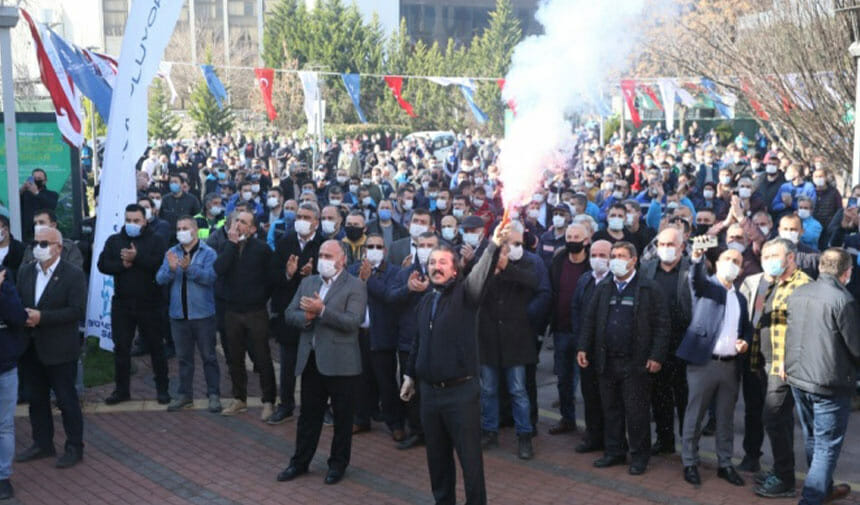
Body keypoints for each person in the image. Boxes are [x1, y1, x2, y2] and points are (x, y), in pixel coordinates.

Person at [399, 222, 508, 505]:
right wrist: (410, 375)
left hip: (461, 394)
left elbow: (482, 275)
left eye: (443, 262)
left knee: (470, 463)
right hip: (429, 395)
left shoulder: (466, 295)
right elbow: (418, 342)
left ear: (455, 269)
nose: (437, 267)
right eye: (433, 262)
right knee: (437, 461)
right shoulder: (425, 302)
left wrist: (493, 245)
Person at [277, 240, 367, 486]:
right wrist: (306, 317)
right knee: (308, 416)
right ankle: (300, 462)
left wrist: (322, 311)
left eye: (329, 255)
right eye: (321, 254)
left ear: (342, 260)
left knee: (342, 418)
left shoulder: (355, 285)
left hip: (342, 363)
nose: (323, 259)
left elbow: (352, 322)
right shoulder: (308, 282)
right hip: (312, 361)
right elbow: (288, 313)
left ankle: (337, 464)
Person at [577, 241, 669, 475]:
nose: (615, 259)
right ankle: (615, 451)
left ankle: (639, 457)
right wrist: (583, 348)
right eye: (614, 255)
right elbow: (590, 319)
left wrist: (656, 355)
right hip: (607, 360)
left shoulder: (649, 288)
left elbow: (661, 325)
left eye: (621, 256)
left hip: (635, 363)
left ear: (633, 260)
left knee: (636, 412)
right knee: (611, 409)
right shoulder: (605, 286)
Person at [785, 248, 859, 505]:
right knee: (826, 446)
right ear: (847, 272)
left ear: (820, 268)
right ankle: (812, 498)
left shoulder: (799, 292)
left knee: (814, 439)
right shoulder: (843, 299)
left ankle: (822, 488)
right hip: (828, 383)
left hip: (800, 378)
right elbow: (856, 346)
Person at [676, 243, 751, 487]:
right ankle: (689, 461)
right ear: (717, 263)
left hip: (730, 366)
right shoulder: (707, 286)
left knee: (725, 418)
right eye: (727, 258)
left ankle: (725, 464)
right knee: (695, 414)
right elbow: (695, 280)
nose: (732, 263)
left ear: (740, 270)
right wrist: (697, 258)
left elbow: (746, 328)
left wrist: (745, 342)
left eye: (737, 261)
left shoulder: (740, 297)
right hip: (703, 363)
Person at [15, 227, 86, 468]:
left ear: (58, 247)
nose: (38, 248)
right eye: (36, 243)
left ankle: (75, 446)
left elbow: (76, 311)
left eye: (44, 243)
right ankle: (42, 443)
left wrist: (42, 317)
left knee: (66, 399)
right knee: (36, 399)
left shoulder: (73, 274)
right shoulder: (25, 272)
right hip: (31, 348)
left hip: (60, 348)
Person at [753, 238, 811, 498]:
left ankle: (786, 479)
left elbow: (804, 329)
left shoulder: (801, 285)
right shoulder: (772, 283)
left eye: (774, 256)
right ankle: (780, 470)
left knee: (774, 418)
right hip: (765, 362)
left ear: (790, 258)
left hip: (782, 366)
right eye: (765, 256)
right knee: (780, 421)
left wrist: (790, 360)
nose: (769, 261)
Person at [97, 204, 170, 405]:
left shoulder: (156, 240)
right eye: (128, 220)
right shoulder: (115, 240)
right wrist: (122, 265)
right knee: (121, 348)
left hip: (150, 303)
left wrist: (137, 258)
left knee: (156, 347)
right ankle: (121, 390)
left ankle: (162, 388)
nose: (132, 224)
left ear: (145, 221)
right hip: (122, 304)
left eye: (136, 220)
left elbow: (158, 263)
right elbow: (103, 264)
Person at [477, 223, 538, 459]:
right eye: (505, 246)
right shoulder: (485, 265)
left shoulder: (527, 264)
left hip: (516, 341)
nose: (509, 250)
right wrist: (492, 267)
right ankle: (489, 431)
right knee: (488, 389)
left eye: (514, 245)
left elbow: (533, 283)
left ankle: (524, 435)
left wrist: (507, 268)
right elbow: (472, 283)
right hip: (488, 340)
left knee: (518, 390)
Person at [214, 210, 276, 418]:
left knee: (262, 358)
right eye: (236, 221)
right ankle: (239, 398)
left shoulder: (262, 249)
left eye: (243, 222)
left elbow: (271, 280)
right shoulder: (226, 245)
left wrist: (259, 298)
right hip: (232, 311)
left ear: (252, 229)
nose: (238, 225)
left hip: (255, 311)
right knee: (234, 357)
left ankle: (269, 401)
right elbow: (219, 269)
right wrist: (231, 245)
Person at [155, 217, 221, 413]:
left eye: (185, 228)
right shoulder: (172, 253)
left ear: (194, 230)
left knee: (209, 356)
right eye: (178, 228)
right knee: (183, 358)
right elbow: (159, 279)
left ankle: (214, 394)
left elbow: (210, 278)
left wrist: (189, 268)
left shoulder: (208, 253)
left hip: (203, 315)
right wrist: (173, 270)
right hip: (178, 315)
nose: (181, 231)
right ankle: (184, 394)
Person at [269, 203, 322, 424]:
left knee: (315, 364)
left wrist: (313, 273)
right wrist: (289, 274)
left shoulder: (323, 244)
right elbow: (273, 278)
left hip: (313, 314)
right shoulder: (286, 242)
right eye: (299, 216)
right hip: (289, 313)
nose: (301, 220)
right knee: (288, 364)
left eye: (306, 217)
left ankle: (318, 407)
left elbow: (331, 279)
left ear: (316, 222)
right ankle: (286, 405)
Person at [640, 227, 692, 455]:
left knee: (685, 399)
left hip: (684, 344)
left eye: (671, 245)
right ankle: (664, 440)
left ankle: (689, 447)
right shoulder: (647, 269)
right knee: (659, 396)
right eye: (662, 245)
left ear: (682, 247)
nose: (666, 249)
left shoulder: (692, 270)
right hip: (656, 345)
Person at [348, 233, 404, 440]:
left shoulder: (393, 272)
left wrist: (369, 279)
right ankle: (361, 418)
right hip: (358, 335)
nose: (374, 250)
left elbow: (390, 296)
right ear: (364, 250)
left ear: (385, 250)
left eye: (378, 247)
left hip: (382, 335)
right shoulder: (353, 270)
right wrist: (361, 279)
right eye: (370, 246)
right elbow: (347, 294)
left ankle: (395, 423)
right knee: (360, 380)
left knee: (386, 382)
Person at [569, 239, 612, 454]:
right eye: (594, 255)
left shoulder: (616, 281)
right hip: (587, 349)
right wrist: (581, 344)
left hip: (609, 352)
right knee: (590, 395)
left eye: (603, 255)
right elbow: (576, 310)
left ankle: (611, 440)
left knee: (609, 398)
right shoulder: (585, 279)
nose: (598, 259)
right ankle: (592, 436)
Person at [548, 224, 591, 435]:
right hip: (562, 328)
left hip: (585, 331)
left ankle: (593, 425)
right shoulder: (558, 260)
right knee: (564, 379)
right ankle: (567, 419)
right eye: (569, 236)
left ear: (586, 240)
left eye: (577, 237)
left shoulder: (592, 264)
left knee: (589, 381)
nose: (572, 240)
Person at [0, 264, 28, 499]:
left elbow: (18, 318)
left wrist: (2, 290)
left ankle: (2, 477)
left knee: (4, 425)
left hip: (5, 366)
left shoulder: (5, 281)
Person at [19, 169, 58, 241]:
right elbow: (14, 202)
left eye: (39, 178)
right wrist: (22, 189)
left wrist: (36, 192)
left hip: (44, 231)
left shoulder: (52, 194)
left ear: (45, 181)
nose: (36, 180)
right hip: (26, 233)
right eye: (35, 178)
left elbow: (51, 205)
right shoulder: (25, 194)